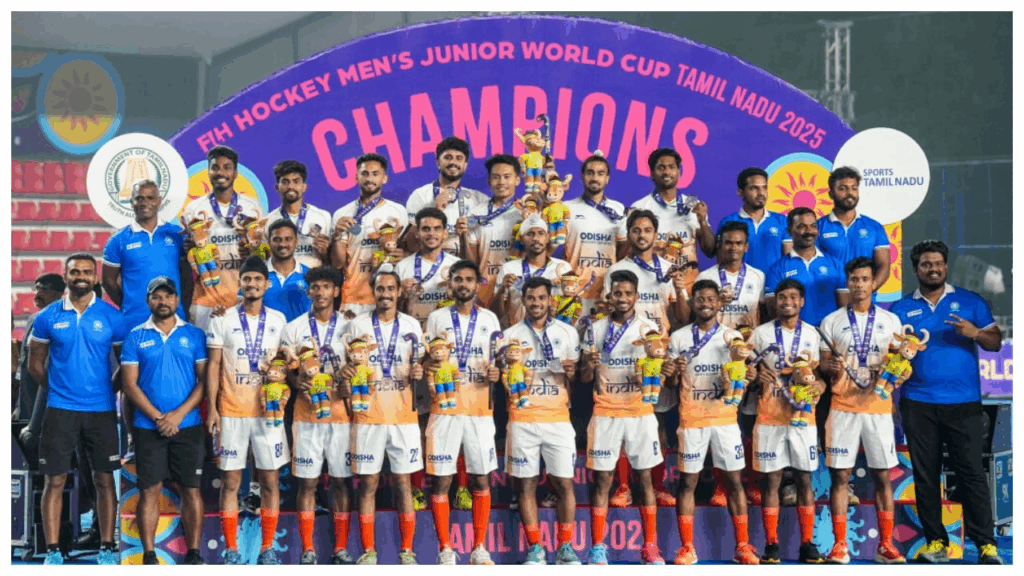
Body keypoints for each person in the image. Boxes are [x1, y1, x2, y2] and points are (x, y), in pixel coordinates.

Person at [888, 240, 1004, 564]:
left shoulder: (970, 301)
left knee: (972, 474)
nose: (934, 269)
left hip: (964, 403)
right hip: (917, 403)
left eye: (938, 263)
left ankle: (986, 545)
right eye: (926, 264)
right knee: (926, 476)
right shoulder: (899, 309)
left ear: (946, 266)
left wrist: (975, 333)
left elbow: (995, 342)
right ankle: (936, 543)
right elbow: (892, 356)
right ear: (916, 269)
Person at [27, 253, 127, 565]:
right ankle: (53, 551)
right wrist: (59, 389)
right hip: (60, 410)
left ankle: (107, 547)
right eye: (74, 272)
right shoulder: (48, 316)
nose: (80, 276)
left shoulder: (112, 316)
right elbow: (34, 363)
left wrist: (107, 389)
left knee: (104, 479)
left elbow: (127, 364)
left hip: (101, 411)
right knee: (54, 481)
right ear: (66, 276)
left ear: (95, 277)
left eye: (86, 272)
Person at [818, 257, 906, 564]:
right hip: (842, 407)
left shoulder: (891, 321)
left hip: (878, 408)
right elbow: (824, 364)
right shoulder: (831, 321)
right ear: (848, 282)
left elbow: (900, 362)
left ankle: (885, 545)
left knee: (882, 476)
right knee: (840, 476)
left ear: (873, 283)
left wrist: (899, 371)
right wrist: (829, 366)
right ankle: (840, 545)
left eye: (865, 279)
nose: (859, 285)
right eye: (854, 279)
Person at [205, 256, 290, 565]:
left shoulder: (279, 320)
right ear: (239, 283)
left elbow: (287, 363)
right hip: (231, 412)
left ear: (266, 284)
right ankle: (231, 549)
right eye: (247, 279)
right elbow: (213, 366)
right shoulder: (222, 318)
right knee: (230, 483)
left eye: (257, 279)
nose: (252, 284)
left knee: (269, 481)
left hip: (269, 413)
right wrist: (213, 409)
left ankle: (267, 548)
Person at [669, 280, 760, 565]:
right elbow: (669, 383)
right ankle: (687, 547)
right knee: (687, 483)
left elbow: (746, 374)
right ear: (692, 303)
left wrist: (750, 376)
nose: (705, 304)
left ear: (719, 302)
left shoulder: (733, 337)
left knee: (733, 482)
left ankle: (742, 545)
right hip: (692, 419)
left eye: (710, 298)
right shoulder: (678, 338)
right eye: (700, 299)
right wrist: (673, 372)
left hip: (725, 419)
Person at [580, 270, 666, 565]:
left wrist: (659, 375)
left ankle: (650, 546)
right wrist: (589, 366)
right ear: (609, 296)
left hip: (640, 412)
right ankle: (597, 546)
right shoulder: (595, 329)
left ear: (637, 296)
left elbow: (657, 373)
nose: (623, 298)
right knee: (603, 479)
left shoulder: (648, 328)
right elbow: (584, 378)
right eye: (618, 293)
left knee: (644, 479)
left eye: (629, 293)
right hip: (605, 411)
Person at [120, 277, 207, 565]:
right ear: (148, 301)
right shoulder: (135, 336)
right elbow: (129, 385)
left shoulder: (194, 335)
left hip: (188, 425)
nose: (163, 302)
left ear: (177, 300)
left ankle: (193, 553)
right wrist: (159, 418)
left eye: (168, 296)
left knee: (191, 489)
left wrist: (178, 415)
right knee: (149, 490)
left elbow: (204, 382)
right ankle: (149, 555)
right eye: (156, 297)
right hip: (148, 427)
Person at [604, 209, 687, 506]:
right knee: (624, 423)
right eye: (636, 230)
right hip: (625, 355)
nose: (642, 235)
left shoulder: (669, 269)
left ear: (656, 234)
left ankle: (658, 485)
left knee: (658, 423)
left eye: (647, 230)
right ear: (628, 234)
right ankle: (623, 487)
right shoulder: (617, 271)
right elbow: (608, 313)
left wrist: (680, 289)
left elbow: (681, 317)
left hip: (658, 356)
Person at [342, 266, 424, 565]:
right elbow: (346, 367)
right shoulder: (357, 325)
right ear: (373, 292)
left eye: (391, 289)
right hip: (368, 416)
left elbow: (422, 369)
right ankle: (369, 551)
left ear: (399, 292)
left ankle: (407, 551)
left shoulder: (412, 325)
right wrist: (346, 373)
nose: (385, 294)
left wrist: (420, 372)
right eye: (380, 289)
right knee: (368, 483)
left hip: (403, 417)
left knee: (404, 483)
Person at [422, 260, 503, 565]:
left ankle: (479, 547)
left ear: (477, 284)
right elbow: (426, 360)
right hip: (444, 410)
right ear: (450, 285)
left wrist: (497, 373)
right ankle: (445, 548)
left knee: (481, 479)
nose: (463, 284)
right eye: (458, 279)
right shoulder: (436, 318)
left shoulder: (491, 319)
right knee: (442, 481)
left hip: (480, 410)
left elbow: (499, 361)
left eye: (469, 279)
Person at [502, 277, 581, 565]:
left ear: (550, 300)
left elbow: (577, 380)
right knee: (526, 486)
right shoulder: (509, 335)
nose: (536, 303)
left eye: (541, 298)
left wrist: (572, 373)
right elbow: (505, 381)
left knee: (564, 483)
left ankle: (565, 547)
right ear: (523, 300)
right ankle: (535, 547)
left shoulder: (568, 332)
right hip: (522, 419)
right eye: (531, 298)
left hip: (558, 418)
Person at [281, 266, 355, 565]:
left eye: (326, 286)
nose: (320, 292)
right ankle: (308, 549)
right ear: (308, 291)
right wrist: (294, 380)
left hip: (341, 416)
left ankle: (340, 548)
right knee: (308, 484)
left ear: (336, 291)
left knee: (340, 482)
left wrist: (350, 382)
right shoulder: (294, 328)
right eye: (315, 287)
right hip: (306, 416)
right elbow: (284, 371)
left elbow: (358, 367)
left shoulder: (350, 326)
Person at [750, 278, 825, 564]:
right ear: (775, 301)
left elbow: (817, 373)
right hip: (770, 416)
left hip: (803, 418)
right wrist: (756, 375)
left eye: (793, 297)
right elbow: (747, 369)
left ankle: (807, 543)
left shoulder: (813, 334)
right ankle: (771, 543)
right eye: (782, 297)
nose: (787, 302)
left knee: (805, 479)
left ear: (802, 301)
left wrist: (820, 384)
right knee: (772, 480)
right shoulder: (760, 334)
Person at [181, 145, 264, 332]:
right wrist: (187, 248)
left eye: (227, 167)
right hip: (206, 299)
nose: (221, 172)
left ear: (235, 173)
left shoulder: (252, 207)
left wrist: (252, 252)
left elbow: (263, 253)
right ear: (208, 173)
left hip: (242, 296)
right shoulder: (194, 209)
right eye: (215, 167)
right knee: (207, 349)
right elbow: (189, 256)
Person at [101, 179, 187, 330]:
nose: (145, 203)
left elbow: (187, 277)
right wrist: (128, 303)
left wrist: (184, 307)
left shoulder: (177, 234)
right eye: (139, 198)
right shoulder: (118, 240)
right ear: (131, 202)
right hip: (134, 321)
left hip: (174, 319)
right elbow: (108, 280)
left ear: (159, 201)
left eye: (150, 198)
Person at [330, 153, 409, 317]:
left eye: (375, 174)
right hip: (353, 296)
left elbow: (406, 253)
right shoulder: (342, 214)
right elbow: (338, 264)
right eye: (364, 173)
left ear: (384, 178)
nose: (369, 178)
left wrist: (404, 255)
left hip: (386, 296)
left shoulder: (398, 212)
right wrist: (336, 236)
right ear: (356, 177)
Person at [620, 148, 715, 261]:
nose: (667, 172)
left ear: (679, 172)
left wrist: (703, 222)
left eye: (671, 167)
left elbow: (710, 251)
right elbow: (627, 254)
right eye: (661, 167)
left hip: (686, 272)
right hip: (650, 271)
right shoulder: (639, 207)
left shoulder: (694, 207)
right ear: (651, 173)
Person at [563, 152, 627, 313]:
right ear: (582, 177)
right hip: (574, 291)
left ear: (607, 178)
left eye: (600, 173)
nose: (595, 178)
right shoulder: (567, 208)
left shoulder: (618, 209)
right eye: (590, 173)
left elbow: (623, 251)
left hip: (607, 294)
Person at [765, 207, 849, 326]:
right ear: (789, 231)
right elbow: (774, 313)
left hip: (829, 334)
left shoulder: (836, 265)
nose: (809, 231)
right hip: (795, 334)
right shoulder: (777, 269)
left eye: (813, 226)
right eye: (801, 226)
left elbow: (844, 309)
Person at [404, 136, 488, 256]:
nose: (453, 162)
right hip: (429, 264)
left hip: (464, 265)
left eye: (459, 158)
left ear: (465, 165)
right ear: (438, 163)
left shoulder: (479, 199)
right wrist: (435, 209)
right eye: (448, 157)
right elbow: (411, 245)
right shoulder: (420, 195)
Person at [817, 167, 890, 292]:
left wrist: (866, 291)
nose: (850, 193)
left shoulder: (874, 227)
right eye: (843, 189)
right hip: (829, 299)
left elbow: (883, 266)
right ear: (831, 194)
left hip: (865, 300)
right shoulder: (818, 227)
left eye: (854, 188)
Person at [465, 154, 524, 308]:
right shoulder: (476, 214)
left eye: (507, 177)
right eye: (496, 177)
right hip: (485, 290)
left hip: (518, 288)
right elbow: (471, 261)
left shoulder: (526, 213)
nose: (501, 182)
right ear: (489, 181)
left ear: (517, 180)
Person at [494, 213, 572, 325]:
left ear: (547, 237)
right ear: (521, 239)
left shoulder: (563, 268)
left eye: (541, 233)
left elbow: (571, 307)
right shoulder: (509, 268)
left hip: (553, 331)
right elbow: (497, 314)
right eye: (530, 234)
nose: (535, 238)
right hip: (520, 331)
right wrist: (502, 290)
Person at [14, 273, 65, 445]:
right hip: (27, 402)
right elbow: (23, 363)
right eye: (36, 289)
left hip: (48, 405)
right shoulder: (32, 319)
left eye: (43, 289)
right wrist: (19, 406)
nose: (37, 294)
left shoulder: (62, 322)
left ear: (59, 293)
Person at [396, 208, 462, 327]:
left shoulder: (458, 266)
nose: (431, 234)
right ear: (417, 233)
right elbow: (393, 312)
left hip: (448, 330)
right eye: (426, 229)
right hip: (413, 331)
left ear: (445, 233)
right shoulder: (402, 267)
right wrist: (401, 295)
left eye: (437, 229)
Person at [717, 167, 791, 273]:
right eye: (754, 188)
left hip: (774, 282)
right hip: (741, 282)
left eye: (764, 188)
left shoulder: (782, 221)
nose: (761, 193)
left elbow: (788, 261)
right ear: (740, 192)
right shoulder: (728, 222)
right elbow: (722, 261)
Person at [264, 159, 333, 268]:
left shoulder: (323, 217)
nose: (290, 186)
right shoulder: (268, 221)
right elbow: (267, 260)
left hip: (314, 277)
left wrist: (326, 252)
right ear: (277, 187)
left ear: (304, 186)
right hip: (283, 278)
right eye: (285, 182)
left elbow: (334, 260)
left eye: (296, 181)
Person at [696, 220, 765, 329]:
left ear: (746, 247)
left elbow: (761, 312)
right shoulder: (704, 277)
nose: (733, 248)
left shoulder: (758, 276)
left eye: (739, 243)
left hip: (747, 337)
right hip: (715, 337)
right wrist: (717, 302)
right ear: (720, 245)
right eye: (728, 243)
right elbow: (696, 315)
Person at [263, 219, 311, 322]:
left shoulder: (309, 275)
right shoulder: (257, 274)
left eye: (288, 239)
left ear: (296, 242)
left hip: (300, 332)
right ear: (269, 242)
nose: (282, 244)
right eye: (277, 239)